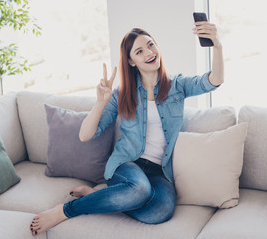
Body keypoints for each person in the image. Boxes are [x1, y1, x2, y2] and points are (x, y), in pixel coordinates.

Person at [30, 20, 224, 236]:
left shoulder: (177, 86)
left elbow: (214, 80)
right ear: (131, 61)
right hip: (127, 164)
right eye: (139, 51)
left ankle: (100, 196)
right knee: (139, 190)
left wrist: (217, 45)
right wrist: (101, 101)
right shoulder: (122, 95)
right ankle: (66, 211)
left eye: (151, 45)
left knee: (160, 212)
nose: (149, 53)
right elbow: (85, 135)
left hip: (160, 171)